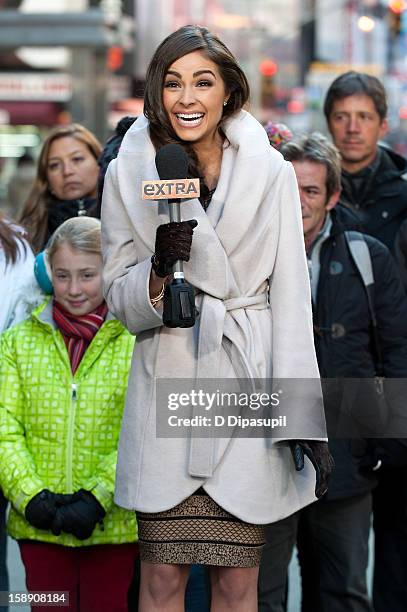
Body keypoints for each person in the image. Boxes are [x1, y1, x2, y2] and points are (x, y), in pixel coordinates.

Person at [101, 25, 332, 612]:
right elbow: (119, 302)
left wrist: (303, 417)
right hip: (167, 382)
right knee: (161, 580)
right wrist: (160, 265)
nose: (187, 98)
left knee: (236, 583)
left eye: (202, 82)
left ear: (227, 91)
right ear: (155, 93)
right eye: (173, 83)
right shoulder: (128, 173)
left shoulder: (273, 173)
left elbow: (289, 303)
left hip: (244, 387)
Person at [258, 133, 407, 612]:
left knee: (342, 592)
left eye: (312, 191)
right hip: (268, 454)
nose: (299, 202)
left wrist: (384, 443)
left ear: (334, 196)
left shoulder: (369, 258)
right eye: (291, 188)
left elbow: (396, 351)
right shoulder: (248, 257)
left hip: (348, 456)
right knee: (262, 595)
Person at [0, 216, 138, 612]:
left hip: (111, 524)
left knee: (105, 605)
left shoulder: (134, 341)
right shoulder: (17, 342)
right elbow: (5, 428)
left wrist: (98, 497)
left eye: (87, 275)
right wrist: (30, 497)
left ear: (108, 271)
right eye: (62, 276)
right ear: (47, 275)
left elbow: (138, 431)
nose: (74, 289)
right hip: (38, 524)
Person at [324, 72, 407, 612]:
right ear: (328, 122)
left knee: (397, 539)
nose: (352, 129)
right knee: (338, 544)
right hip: (337, 373)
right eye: (341, 117)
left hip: (395, 369)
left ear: (382, 123)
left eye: (363, 118)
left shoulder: (402, 192)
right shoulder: (304, 187)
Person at [18, 124, 102, 253]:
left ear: (98, 162)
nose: (67, 171)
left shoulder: (123, 216)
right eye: (55, 165)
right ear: (46, 178)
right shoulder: (28, 232)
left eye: (77, 159)